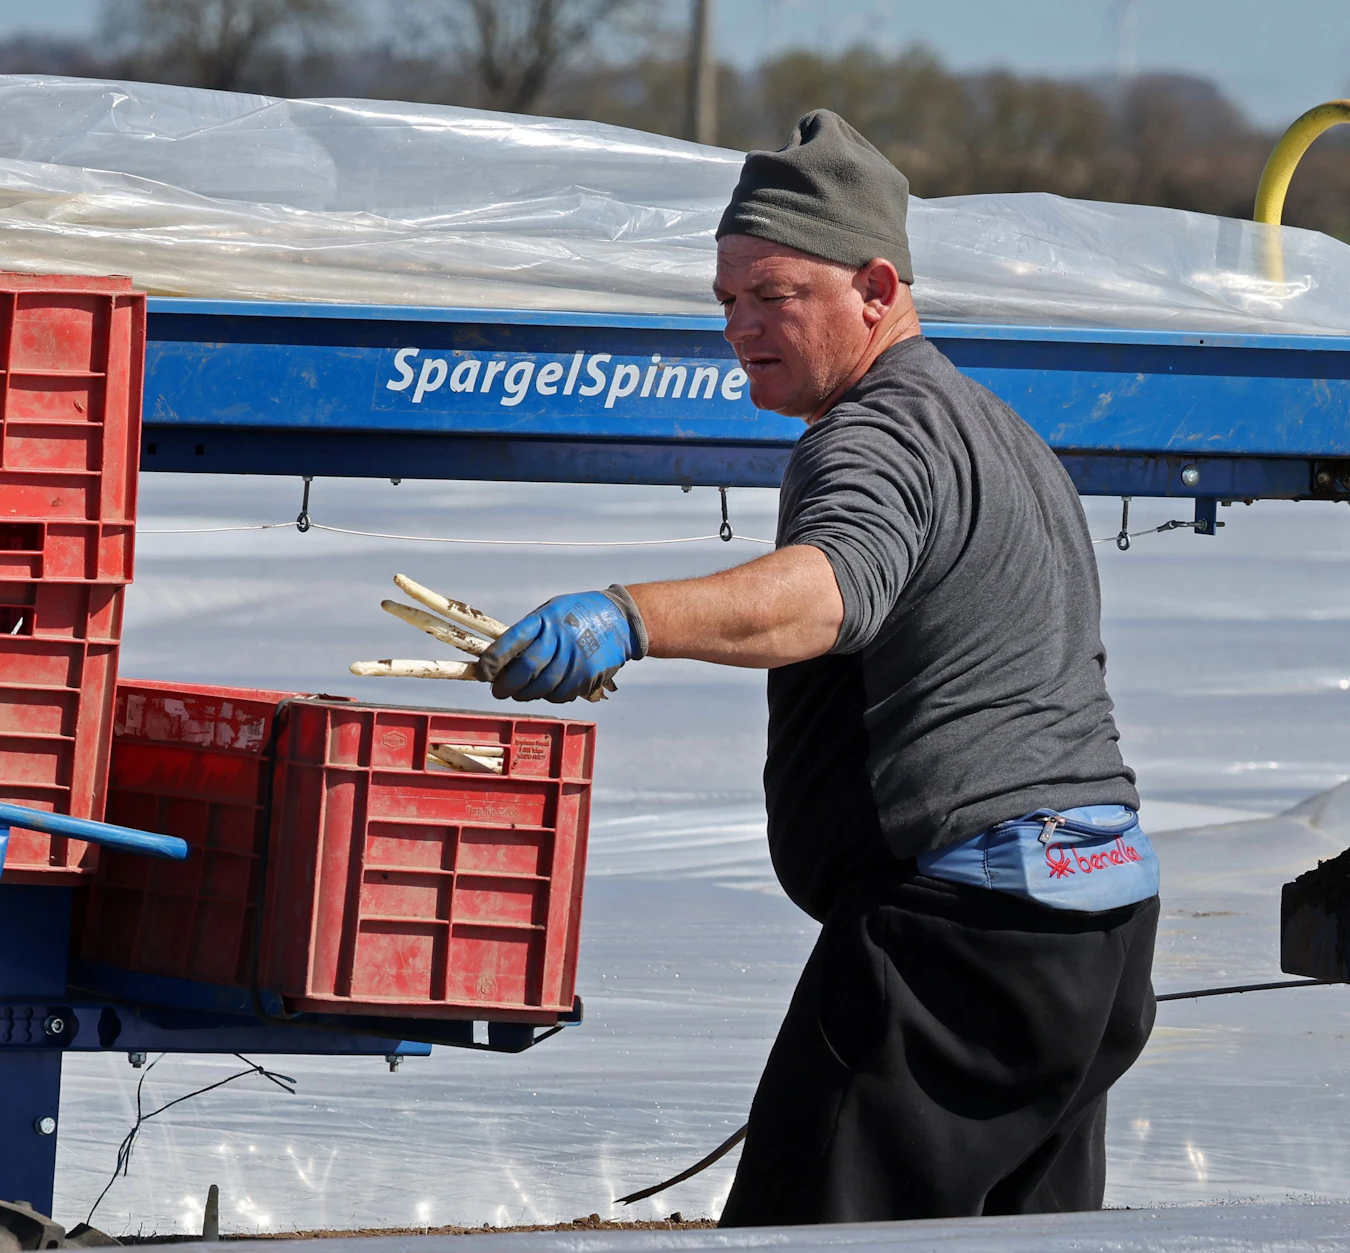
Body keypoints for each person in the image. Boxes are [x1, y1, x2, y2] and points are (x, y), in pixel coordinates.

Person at [475, 109, 1159, 1227]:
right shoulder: (998, 429)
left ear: (876, 287)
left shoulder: (872, 435)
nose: (740, 327)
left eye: (775, 297)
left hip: (962, 946)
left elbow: (831, 589)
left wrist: (626, 616)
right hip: (1098, 930)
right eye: (726, 302)